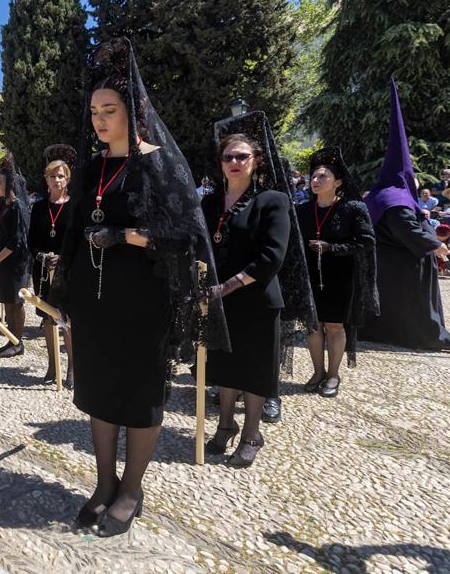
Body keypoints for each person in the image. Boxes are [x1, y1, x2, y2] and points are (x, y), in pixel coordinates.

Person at [48, 41, 228, 537]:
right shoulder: (91, 169)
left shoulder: (159, 164)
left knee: (140, 397)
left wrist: (127, 235)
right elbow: (70, 233)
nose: (99, 120)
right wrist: (67, 293)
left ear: (133, 111)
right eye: (94, 112)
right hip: (96, 302)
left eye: (109, 110)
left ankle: (132, 488)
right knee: (100, 393)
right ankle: (103, 484)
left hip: (146, 303)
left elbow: (186, 234)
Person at [201, 111, 317, 464]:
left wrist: (227, 286)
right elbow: (200, 246)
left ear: (257, 161)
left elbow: (272, 257)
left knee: (253, 369)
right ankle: (224, 426)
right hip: (218, 299)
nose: (234, 162)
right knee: (222, 367)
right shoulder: (208, 203)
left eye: (242, 156)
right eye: (228, 157)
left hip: (256, 298)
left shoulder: (273, 201)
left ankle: (252, 432)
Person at [361, 81, 450, 350]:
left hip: (385, 261)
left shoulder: (381, 193)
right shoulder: (395, 198)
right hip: (404, 263)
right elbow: (405, 228)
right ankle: (431, 337)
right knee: (414, 303)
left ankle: (382, 333)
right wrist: (434, 244)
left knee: (389, 304)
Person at [295, 148, 378, 398]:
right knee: (312, 325)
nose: (316, 180)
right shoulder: (303, 210)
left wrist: (333, 247)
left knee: (333, 325)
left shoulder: (353, 208)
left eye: (323, 176)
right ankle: (317, 372)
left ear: (338, 182)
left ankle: (333, 375)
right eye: (314, 177)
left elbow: (366, 241)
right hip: (311, 274)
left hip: (341, 275)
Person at [27, 144, 76, 387]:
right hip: (44, 271)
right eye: (52, 176)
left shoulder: (74, 207)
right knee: (48, 318)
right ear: (45, 179)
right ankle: (52, 365)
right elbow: (31, 242)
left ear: (67, 179)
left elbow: (77, 241)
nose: (56, 180)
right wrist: (42, 257)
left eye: (61, 175)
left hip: (67, 271)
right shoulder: (37, 207)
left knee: (66, 319)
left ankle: (72, 369)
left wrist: (63, 259)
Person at [0, 153, 31, 356]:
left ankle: (18, 342)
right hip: (4, 264)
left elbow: (17, 240)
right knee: (7, 303)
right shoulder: (4, 207)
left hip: (16, 264)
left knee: (16, 303)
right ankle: (11, 339)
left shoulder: (17, 207)